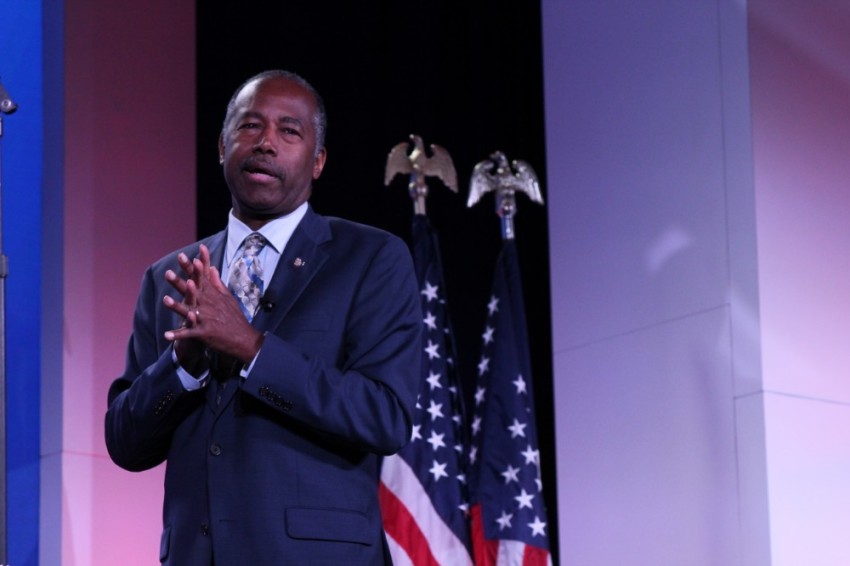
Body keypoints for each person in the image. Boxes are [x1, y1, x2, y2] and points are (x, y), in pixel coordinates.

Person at [105, 70, 422, 565]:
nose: (266, 143)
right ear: (222, 146)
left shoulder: (371, 259)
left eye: (289, 131)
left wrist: (253, 348)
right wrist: (183, 366)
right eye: (249, 126)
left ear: (318, 161)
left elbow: (384, 417)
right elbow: (125, 443)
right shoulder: (170, 275)